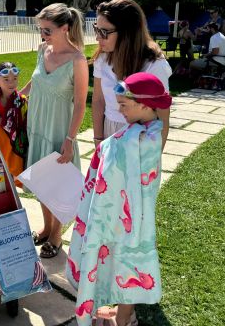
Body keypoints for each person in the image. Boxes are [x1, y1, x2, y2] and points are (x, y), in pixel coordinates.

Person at [66, 72, 172, 326]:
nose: (119, 110)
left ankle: (123, 318)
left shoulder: (143, 140)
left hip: (123, 217)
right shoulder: (145, 131)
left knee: (128, 263)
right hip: (131, 216)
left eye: (124, 105)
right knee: (125, 261)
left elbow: (117, 173)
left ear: (145, 104)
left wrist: (106, 150)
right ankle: (123, 313)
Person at [21, 3, 88, 258]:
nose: (43, 35)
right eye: (41, 29)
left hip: (60, 130)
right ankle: (47, 227)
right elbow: (35, 80)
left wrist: (70, 139)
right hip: (37, 126)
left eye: (47, 30)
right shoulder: (42, 50)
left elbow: (81, 104)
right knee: (40, 181)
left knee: (58, 185)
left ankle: (57, 235)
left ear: (65, 28)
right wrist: (16, 96)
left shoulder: (78, 60)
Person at [91, 0, 172, 148]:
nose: (97, 37)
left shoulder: (154, 65)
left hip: (142, 137)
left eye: (103, 32)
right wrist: (98, 140)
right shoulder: (102, 59)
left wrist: (153, 157)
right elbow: (98, 100)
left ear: (127, 32)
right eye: (96, 29)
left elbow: (163, 116)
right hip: (109, 132)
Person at [0, 61, 28, 186]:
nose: (11, 83)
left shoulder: (21, 101)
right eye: (6, 79)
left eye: (15, 79)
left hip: (13, 145)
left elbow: (25, 123)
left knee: (12, 176)